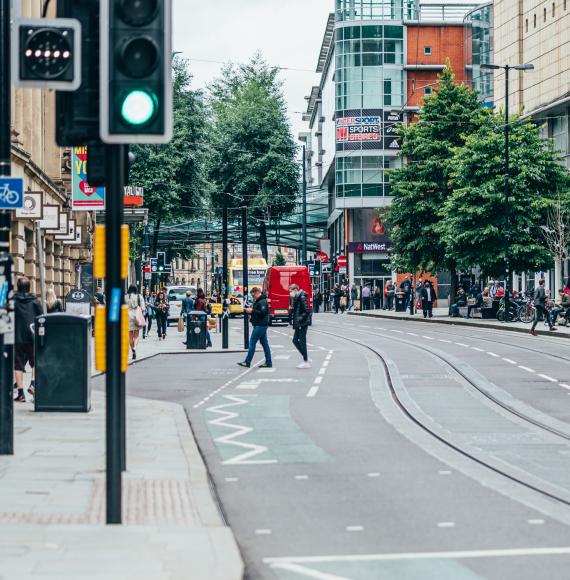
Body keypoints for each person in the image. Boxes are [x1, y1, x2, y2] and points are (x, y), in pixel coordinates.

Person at [13, 277, 43, 402]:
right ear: (29, 287)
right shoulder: (34, 300)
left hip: (17, 336)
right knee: (35, 361)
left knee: (18, 365)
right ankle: (33, 384)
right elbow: (41, 316)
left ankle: (20, 393)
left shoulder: (13, 300)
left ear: (18, 287)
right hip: (32, 335)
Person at [237, 287, 272, 368]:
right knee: (264, 344)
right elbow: (258, 313)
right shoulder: (259, 300)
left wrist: (252, 311)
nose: (253, 297)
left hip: (260, 325)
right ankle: (268, 362)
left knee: (252, 343)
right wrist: (251, 312)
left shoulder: (262, 301)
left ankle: (247, 362)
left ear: (257, 292)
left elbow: (263, 313)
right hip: (260, 324)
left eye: (253, 295)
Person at [289, 283, 311, 368]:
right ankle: (305, 356)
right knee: (295, 340)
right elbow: (295, 310)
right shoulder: (296, 298)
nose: (290, 293)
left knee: (302, 341)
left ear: (295, 290)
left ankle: (305, 361)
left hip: (303, 323)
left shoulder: (302, 297)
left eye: (290, 291)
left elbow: (307, 311)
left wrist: (299, 319)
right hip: (299, 323)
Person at [126, 285, 145, 359]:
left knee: (130, 336)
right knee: (136, 335)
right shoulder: (139, 296)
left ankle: (132, 350)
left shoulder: (126, 297)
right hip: (137, 315)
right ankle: (135, 348)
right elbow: (143, 308)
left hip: (128, 316)